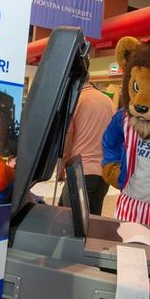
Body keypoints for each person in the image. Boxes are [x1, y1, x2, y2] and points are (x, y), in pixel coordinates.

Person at [58, 79, 114, 215]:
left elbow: (67, 139)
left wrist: (60, 168)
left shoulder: (76, 100)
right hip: (102, 174)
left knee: (68, 222)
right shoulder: (108, 101)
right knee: (93, 224)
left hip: (80, 173)